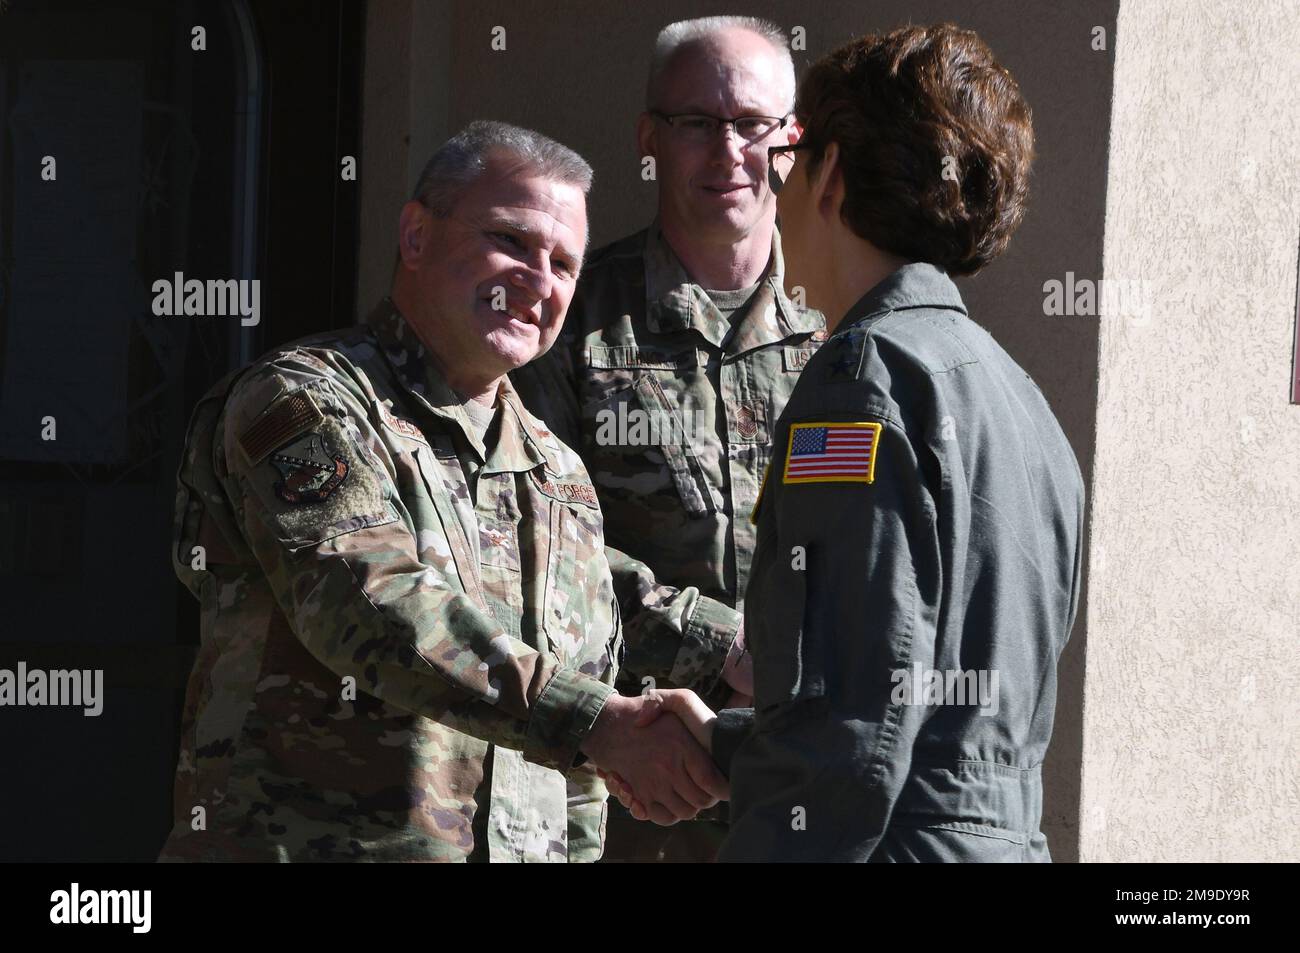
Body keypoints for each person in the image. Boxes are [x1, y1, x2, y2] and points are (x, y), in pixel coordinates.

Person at [159, 120, 725, 863]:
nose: (539, 279)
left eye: (563, 263)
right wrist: (594, 721)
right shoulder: (304, 400)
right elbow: (368, 596)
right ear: (416, 236)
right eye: (512, 241)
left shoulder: (554, 468)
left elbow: (586, 639)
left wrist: (731, 648)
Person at [610, 23, 1086, 862]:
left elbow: (850, 740)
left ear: (829, 173)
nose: (772, 177)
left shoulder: (864, 379)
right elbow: (923, 718)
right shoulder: (1018, 396)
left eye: (789, 147)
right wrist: (737, 747)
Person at [511, 14, 824, 862]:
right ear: (651, 135)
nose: (729, 151)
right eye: (698, 123)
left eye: (753, 124)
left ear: (791, 140)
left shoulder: (847, 331)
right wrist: (717, 642)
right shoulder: (569, 319)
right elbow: (525, 534)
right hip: (630, 787)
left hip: (808, 783)